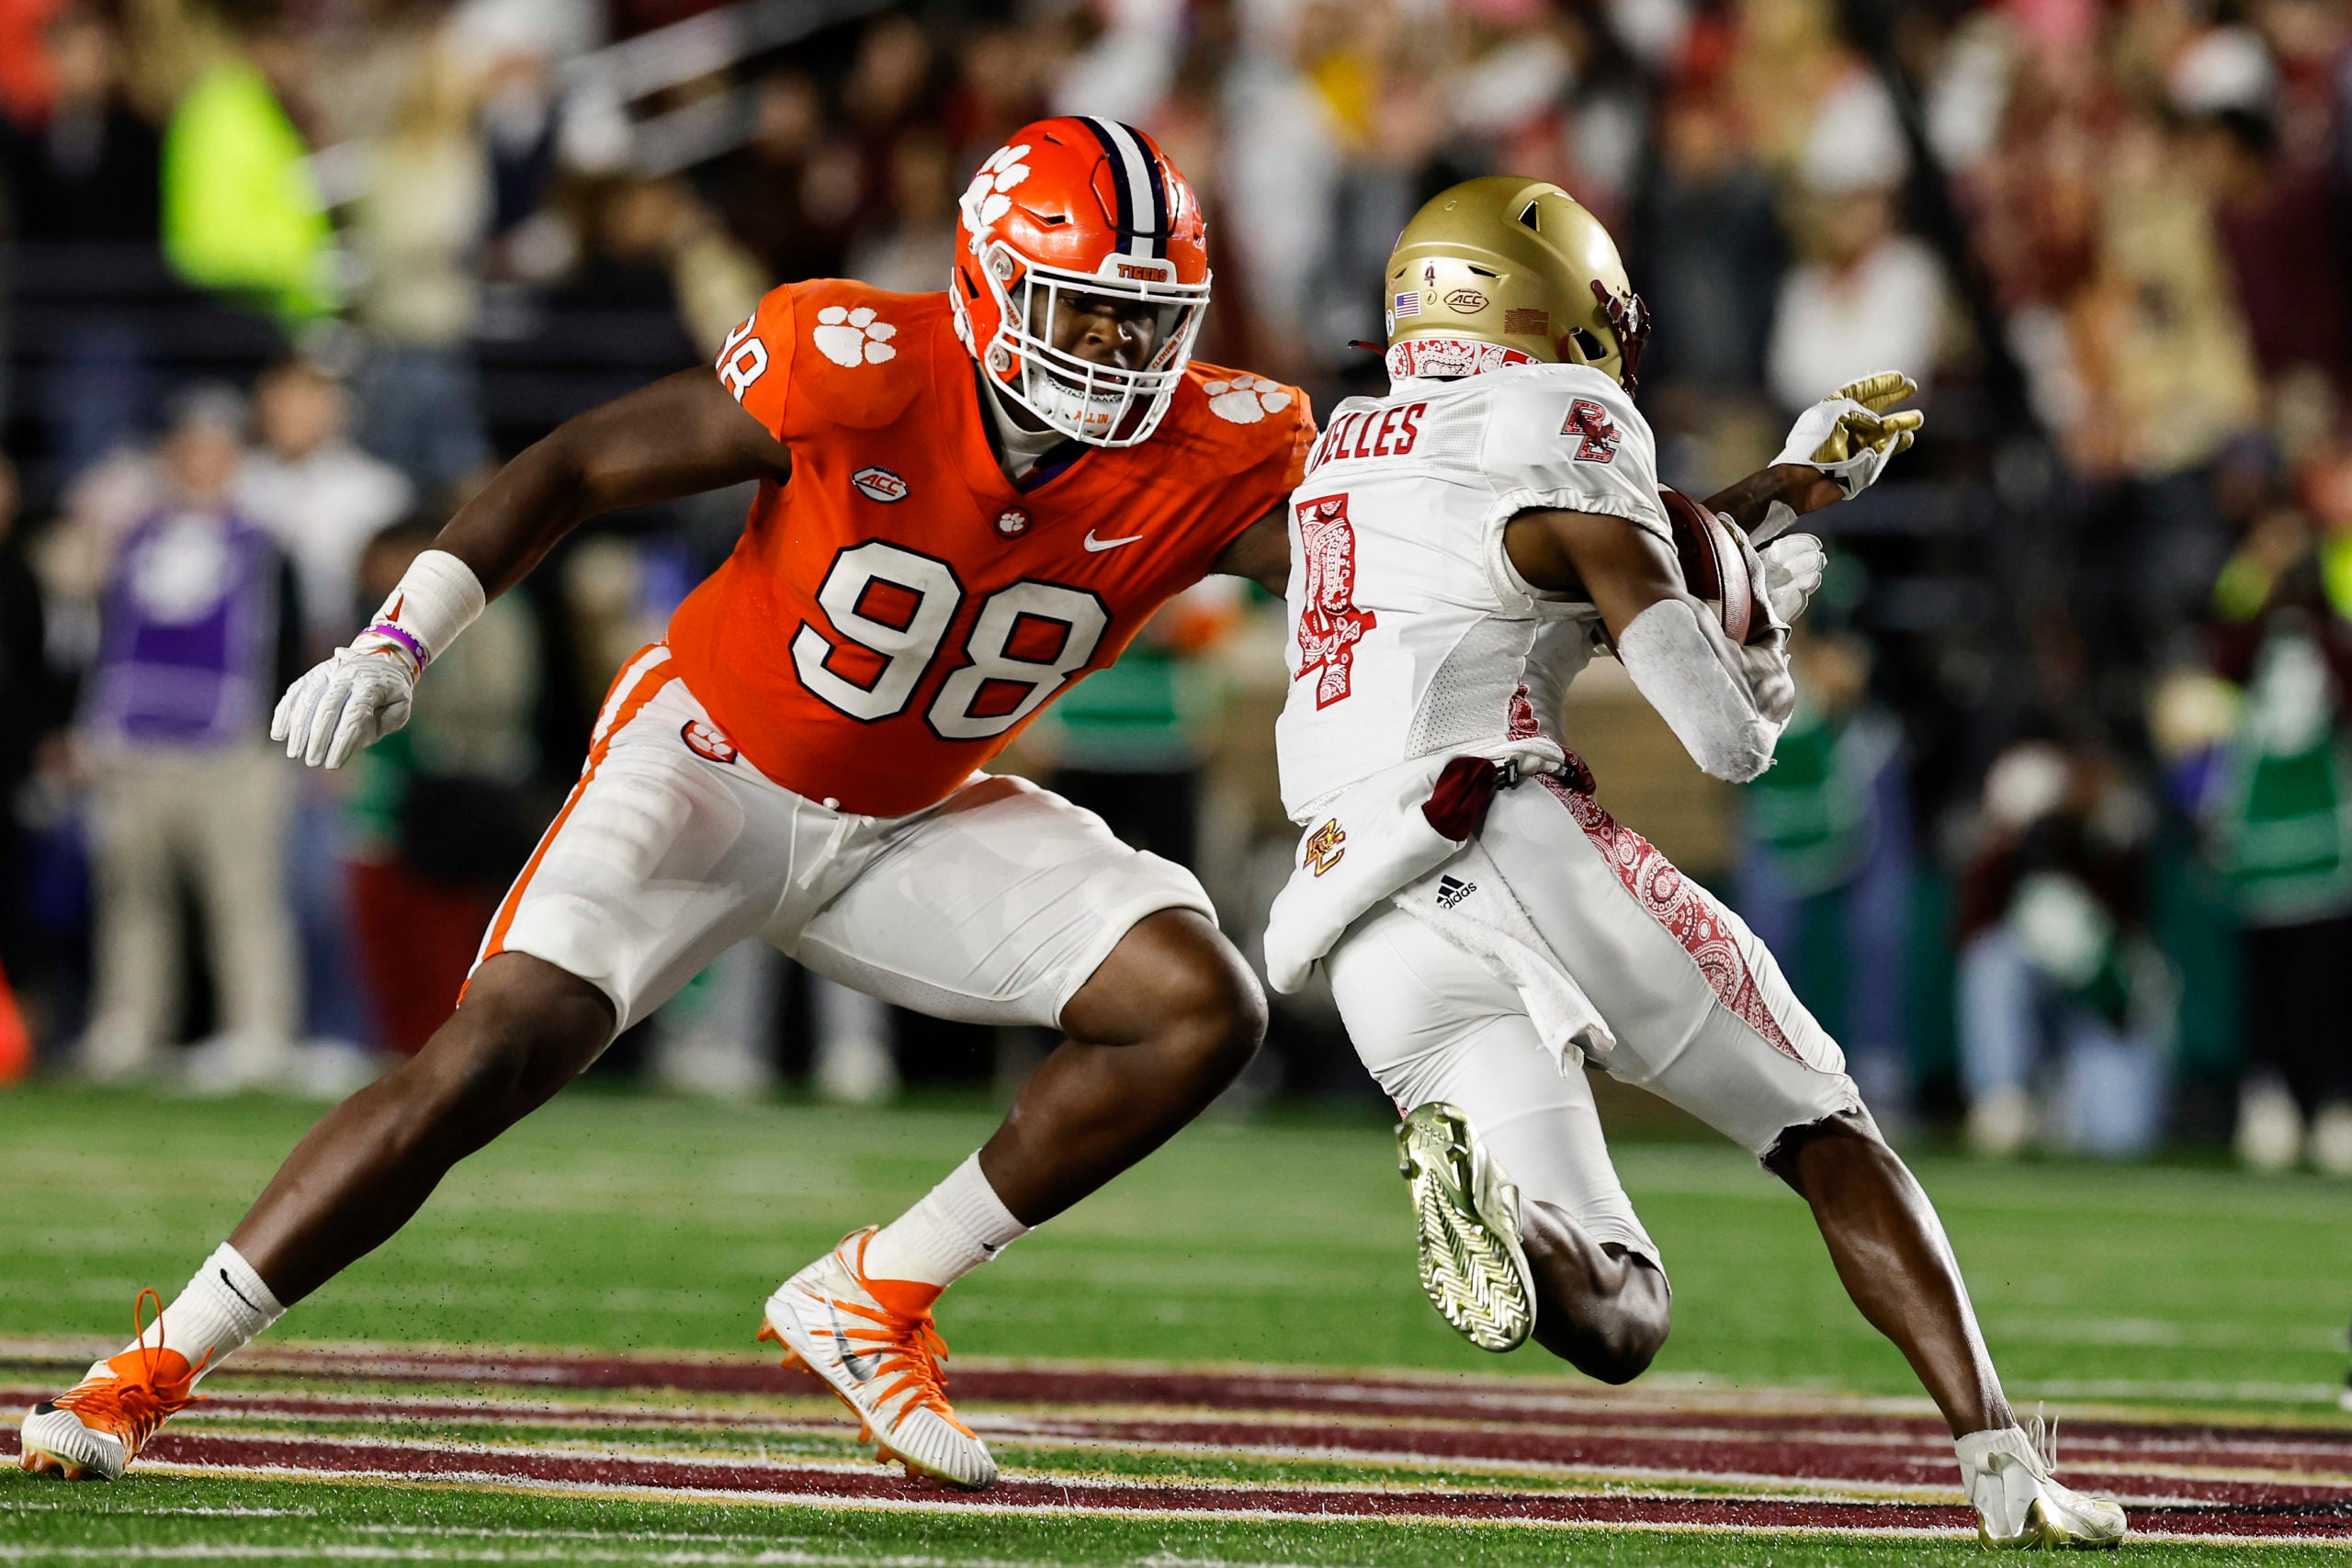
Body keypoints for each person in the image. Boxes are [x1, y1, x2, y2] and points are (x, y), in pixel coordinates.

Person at [20, 118, 1312, 1493]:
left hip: (916, 813)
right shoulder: (859, 362)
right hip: (706, 758)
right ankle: (147, 1367)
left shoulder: (1223, 448)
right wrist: (397, 639)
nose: (1113, 358)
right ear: (989, 281)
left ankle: (876, 1292)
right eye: (1086, 314)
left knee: (1197, 1005)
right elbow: (578, 463)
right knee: (494, 1053)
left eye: (1142, 323)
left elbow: (1395, 573)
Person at [1257, 178, 2125, 1550]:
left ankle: (1515, 1224)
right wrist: (1766, 624)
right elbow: (1723, 737)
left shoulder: (1346, 442)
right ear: (1560, 313)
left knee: (1619, 1315)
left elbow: (1567, 555)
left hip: (1361, 914)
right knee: (1828, 1128)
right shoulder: (1566, 414)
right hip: (1506, 828)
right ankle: (2002, 1461)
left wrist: (1781, 493)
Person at [72, 386, 305, 1091]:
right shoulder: (130, 537)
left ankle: (259, 1031)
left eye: (215, 449)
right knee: (132, 899)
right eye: (189, 448)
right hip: (136, 744)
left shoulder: (267, 545)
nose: (201, 462)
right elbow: (100, 640)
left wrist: (282, 737)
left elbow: (291, 642)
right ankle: (127, 1027)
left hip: (231, 747)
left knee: (244, 899)